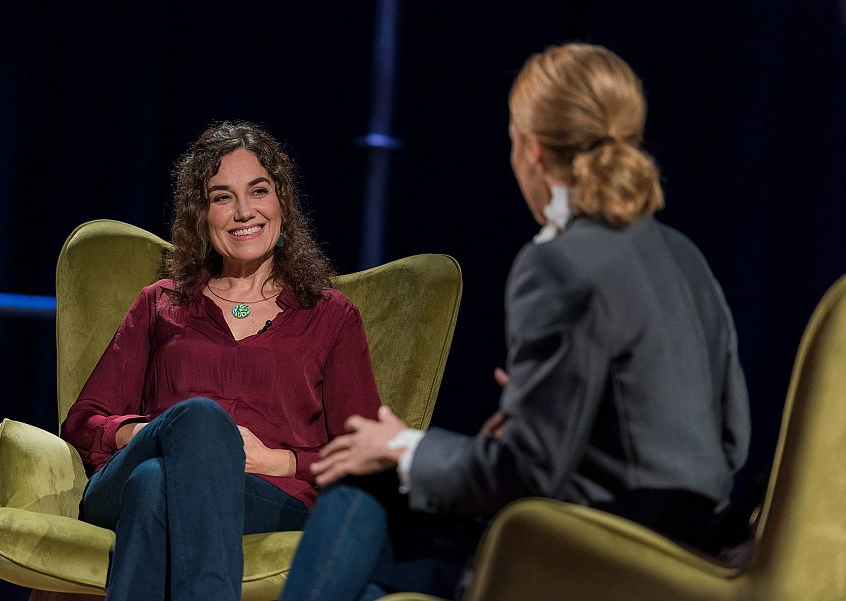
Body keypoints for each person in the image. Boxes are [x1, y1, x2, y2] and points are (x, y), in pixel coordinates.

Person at [278, 43, 751, 601]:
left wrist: (404, 446)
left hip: (588, 551)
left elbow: (530, 470)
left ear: (532, 150)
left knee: (359, 492)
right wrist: (542, 410)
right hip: (688, 549)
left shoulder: (557, 263)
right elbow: (731, 442)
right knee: (368, 579)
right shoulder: (684, 255)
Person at [60, 121, 381, 601]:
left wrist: (280, 460)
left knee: (154, 485)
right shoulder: (160, 304)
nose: (244, 211)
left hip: (266, 498)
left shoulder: (331, 318)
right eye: (222, 197)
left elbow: (365, 458)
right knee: (196, 423)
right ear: (201, 214)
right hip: (130, 475)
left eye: (258, 191)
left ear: (282, 205)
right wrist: (161, 433)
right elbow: (83, 423)